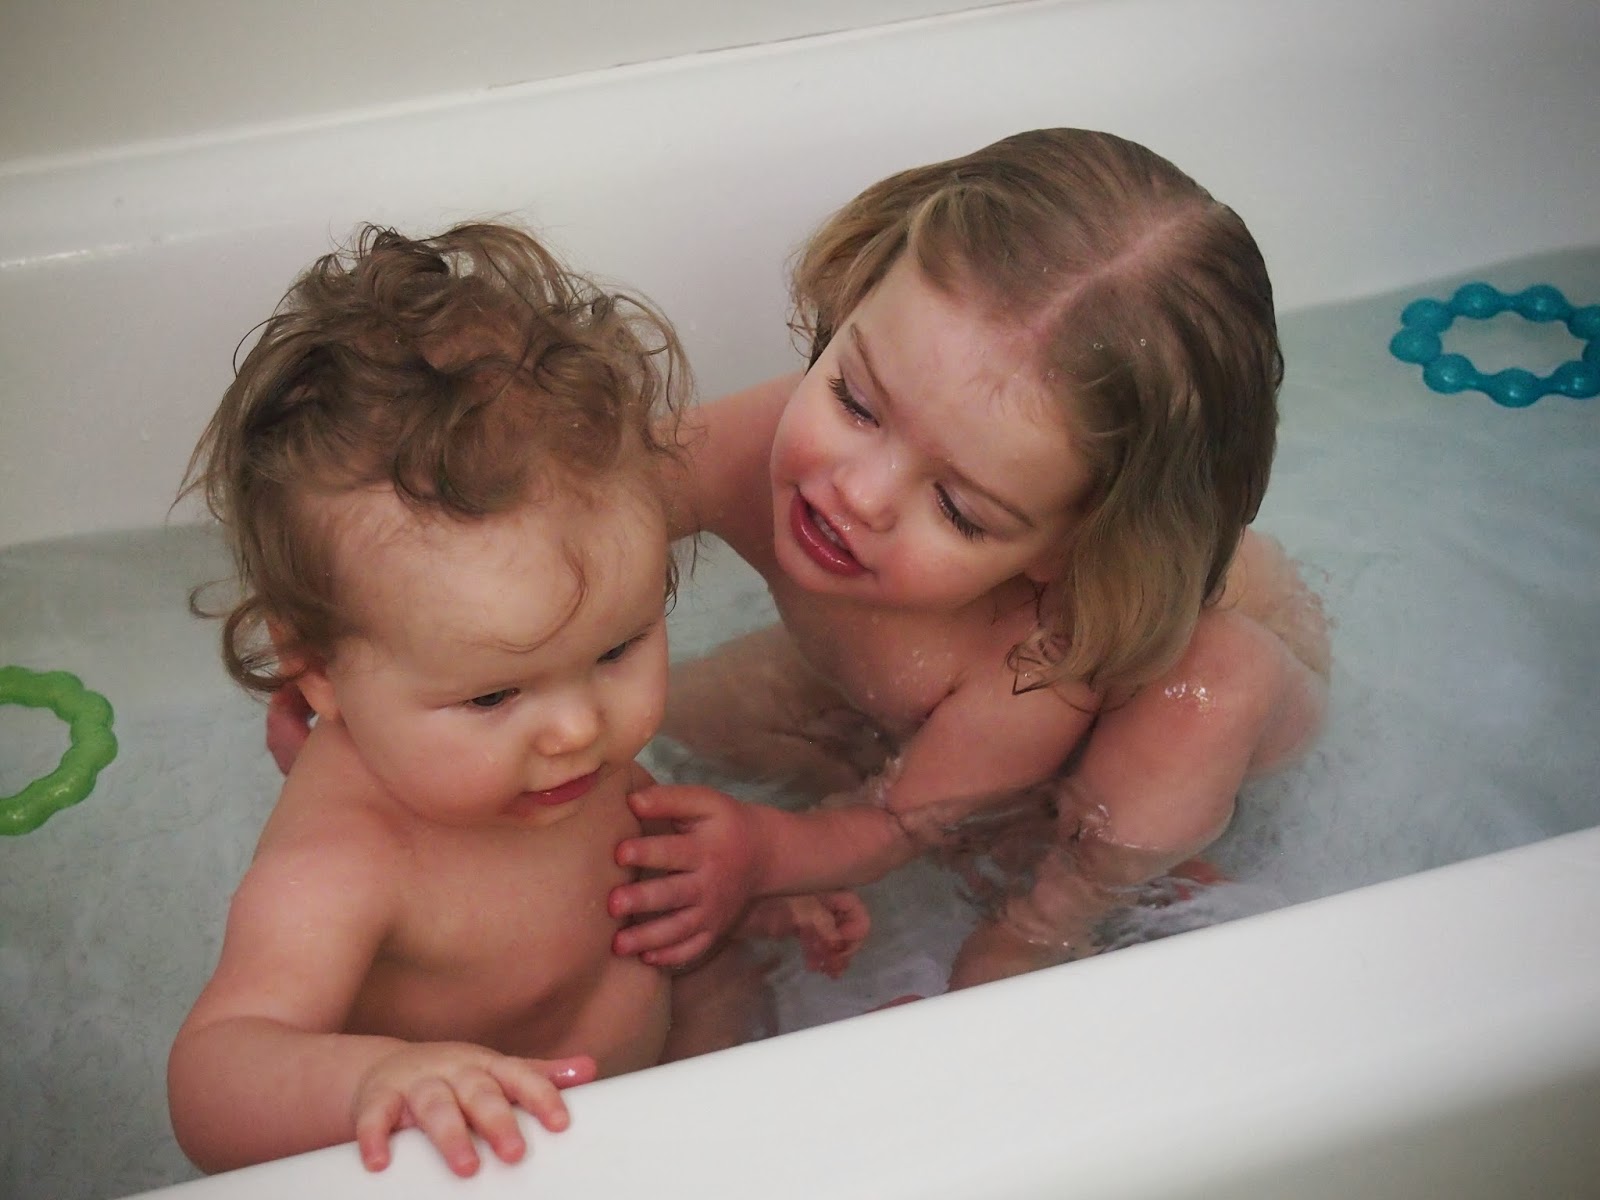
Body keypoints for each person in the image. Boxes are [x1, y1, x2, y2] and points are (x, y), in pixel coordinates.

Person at [170, 222, 867, 1180]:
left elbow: (621, 885)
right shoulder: (345, 863)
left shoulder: (547, 741)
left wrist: (727, 898)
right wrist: (377, 1082)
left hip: (660, 1064)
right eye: (493, 694)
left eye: (618, 648)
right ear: (317, 667)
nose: (581, 729)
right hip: (513, 1165)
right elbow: (213, 1080)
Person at [604, 128, 1331, 989]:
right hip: (935, 710)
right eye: (855, 401)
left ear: (1067, 551)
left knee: (1209, 684)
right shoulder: (764, 443)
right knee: (677, 726)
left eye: (958, 509)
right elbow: (587, 512)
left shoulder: (1044, 652)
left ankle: (1053, 923)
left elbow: (900, 821)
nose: (857, 494)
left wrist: (768, 851)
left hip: (1183, 707)